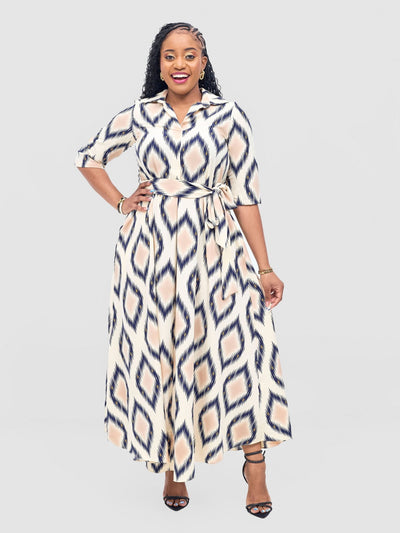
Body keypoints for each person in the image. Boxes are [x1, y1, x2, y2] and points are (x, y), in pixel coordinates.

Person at [74, 21, 293, 518]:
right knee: (166, 352)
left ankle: (255, 465)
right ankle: (175, 464)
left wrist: (265, 268)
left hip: (216, 247)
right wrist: (122, 203)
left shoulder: (229, 116)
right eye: (170, 55)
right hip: (149, 254)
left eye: (190, 55)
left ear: (203, 62)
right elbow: (89, 158)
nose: (180, 64)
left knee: (240, 349)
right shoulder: (140, 115)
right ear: (159, 65)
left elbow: (246, 195)